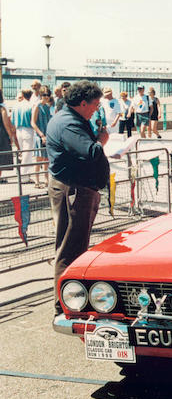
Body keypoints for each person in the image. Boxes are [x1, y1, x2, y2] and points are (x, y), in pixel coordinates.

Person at [46, 80, 109, 315]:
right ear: (82, 103)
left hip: (76, 187)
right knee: (70, 247)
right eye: (94, 104)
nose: (96, 108)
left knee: (72, 245)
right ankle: (64, 304)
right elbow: (91, 151)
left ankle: (70, 298)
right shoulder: (68, 124)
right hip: (74, 190)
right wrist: (101, 141)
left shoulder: (69, 119)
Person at [11, 89, 35, 183]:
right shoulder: (31, 105)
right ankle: (24, 176)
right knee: (27, 154)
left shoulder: (16, 106)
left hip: (18, 130)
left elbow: (12, 121)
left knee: (23, 152)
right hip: (28, 129)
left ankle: (25, 175)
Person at [31, 90, 52, 188]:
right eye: (44, 95)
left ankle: (46, 179)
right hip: (39, 136)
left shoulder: (47, 107)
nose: (46, 97)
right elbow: (33, 123)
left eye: (48, 95)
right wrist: (41, 135)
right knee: (38, 159)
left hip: (47, 136)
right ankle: (37, 181)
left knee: (46, 159)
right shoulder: (37, 106)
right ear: (40, 95)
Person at [0, 88, 19, 184]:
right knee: (1, 157)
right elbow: (6, 124)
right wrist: (11, 136)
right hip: (1, 136)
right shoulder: (2, 108)